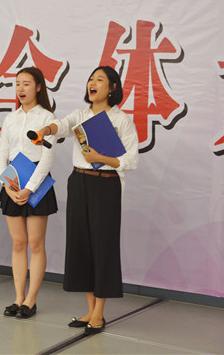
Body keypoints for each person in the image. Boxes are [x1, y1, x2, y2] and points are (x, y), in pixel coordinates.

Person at [35, 66, 138, 334]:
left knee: (102, 247)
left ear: (112, 88)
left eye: (99, 80)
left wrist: (100, 158)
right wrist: (46, 129)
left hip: (106, 185)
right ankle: (91, 310)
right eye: (91, 79)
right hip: (79, 182)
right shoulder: (80, 115)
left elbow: (131, 160)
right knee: (82, 245)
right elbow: (62, 126)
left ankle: (99, 314)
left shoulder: (121, 120)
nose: (92, 83)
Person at [0, 67, 58, 319]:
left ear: (38, 87)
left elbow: (47, 158)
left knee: (35, 243)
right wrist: (7, 185)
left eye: (26, 84)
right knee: (18, 243)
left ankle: (31, 300)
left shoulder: (47, 118)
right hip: (12, 179)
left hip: (37, 180)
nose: (20, 89)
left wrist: (29, 188)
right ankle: (18, 297)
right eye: (17, 84)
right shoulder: (10, 118)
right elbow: (2, 153)